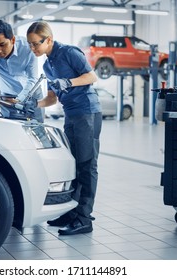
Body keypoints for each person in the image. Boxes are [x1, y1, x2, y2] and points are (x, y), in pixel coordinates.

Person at [27, 21, 102, 235]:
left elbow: (91, 76)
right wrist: (35, 104)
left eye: (35, 44)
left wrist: (68, 82)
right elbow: (52, 98)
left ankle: (84, 219)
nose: (33, 49)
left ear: (48, 39)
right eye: (30, 45)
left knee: (87, 165)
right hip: (71, 114)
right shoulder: (47, 65)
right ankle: (72, 212)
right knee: (74, 164)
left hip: (87, 112)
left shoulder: (69, 53)